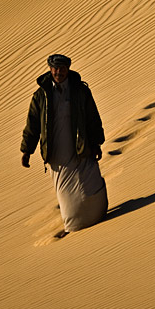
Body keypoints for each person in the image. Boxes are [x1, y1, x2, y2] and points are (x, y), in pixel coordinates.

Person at [21, 53, 108, 238]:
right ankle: (73, 225)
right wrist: (27, 150)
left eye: (61, 68)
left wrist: (97, 143)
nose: (58, 72)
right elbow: (33, 123)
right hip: (55, 149)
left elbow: (93, 117)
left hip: (79, 143)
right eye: (55, 68)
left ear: (68, 69)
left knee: (89, 179)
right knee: (65, 191)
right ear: (50, 69)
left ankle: (97, 214)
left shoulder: (80, 90)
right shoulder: (41, 95)